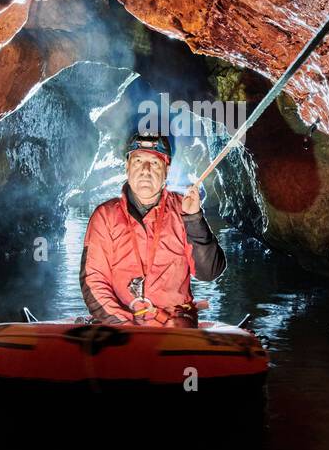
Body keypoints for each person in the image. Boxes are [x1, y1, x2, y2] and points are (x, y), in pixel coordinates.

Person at [80, 131, 226, 325]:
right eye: (138, 161)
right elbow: (94, 280)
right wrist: (123, 326)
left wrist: (194, 220)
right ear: (127, 167)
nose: (146, 170)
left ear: (166, 170)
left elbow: (209, 273)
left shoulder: (184, 210)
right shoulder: (105, 217)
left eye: (155, 163)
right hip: (120, 326)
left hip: (175, 328)